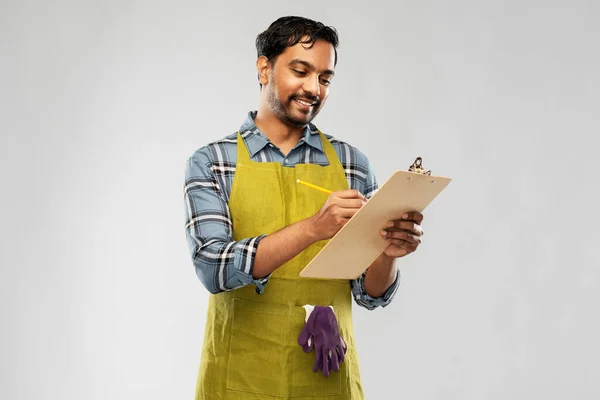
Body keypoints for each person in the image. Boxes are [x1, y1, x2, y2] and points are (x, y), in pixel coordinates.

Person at [183, 16, 424, 400]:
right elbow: (213, 268)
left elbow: (369, 293)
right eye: (301, 71)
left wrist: (387, 254)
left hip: (327, 378)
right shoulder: (213, 161)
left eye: (325, 79)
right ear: (264, 68)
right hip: (240, 378)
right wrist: (314, 227)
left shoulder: (352, 164)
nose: (314, 88)